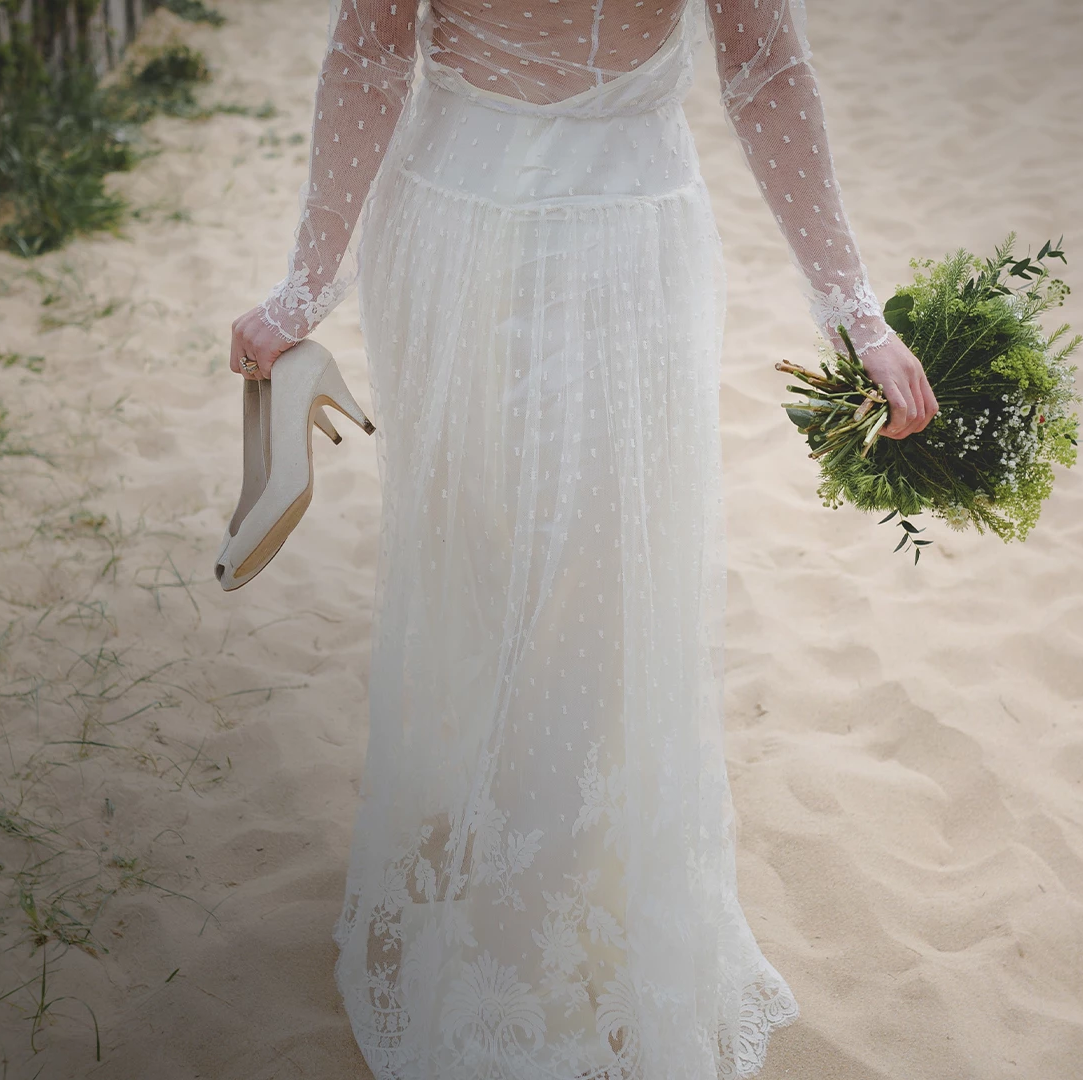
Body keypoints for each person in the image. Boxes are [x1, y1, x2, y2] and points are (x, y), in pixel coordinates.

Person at [226, 1, 936, 1075]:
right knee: (479, 562)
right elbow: (372, 45)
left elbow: (766, 65)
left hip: (628, 238)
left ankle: (549, 906)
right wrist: (306, 285)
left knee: (601, 576)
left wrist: (854, 313)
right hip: (450, 228)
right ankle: (473, 860)